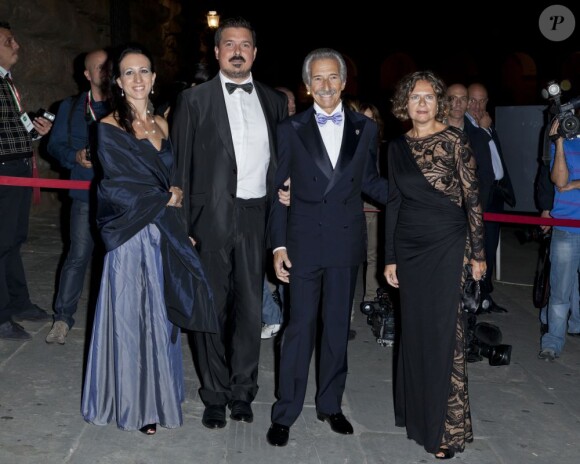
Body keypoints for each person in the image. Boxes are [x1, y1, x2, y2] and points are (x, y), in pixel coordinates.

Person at [81, 43, 217, 435]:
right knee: (131, 319)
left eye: (144, 71)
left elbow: (175, 181)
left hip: (164, 233)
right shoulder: (107, 127)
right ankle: (132, 403)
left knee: (161, 315)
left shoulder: (164, 124)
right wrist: (165, 197)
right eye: (128, 73)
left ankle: (158, 396)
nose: (137, 79)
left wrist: (182, 224)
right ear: (118, 83)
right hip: (131, 236)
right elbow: (117, 188)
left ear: (154, 79)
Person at [266, 48, 388, 447]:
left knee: (337, 329)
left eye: (332, 77)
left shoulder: (364, 129)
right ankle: (285, 411)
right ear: (306, 86)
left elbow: (370, 180)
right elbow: (277, 189)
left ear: (344, 81)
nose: (325, 85)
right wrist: (278, 245)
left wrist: (413, 194)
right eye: (317, 79)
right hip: (302, 241)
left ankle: (330, 405)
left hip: (344, 241)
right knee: (298, 329)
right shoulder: (289, 128)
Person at [171, 17, 288, 429]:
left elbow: (282, 163)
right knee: (211, 310)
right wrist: (182, 225)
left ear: (254, 53)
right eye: (229, 44)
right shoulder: (194, 100)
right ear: (217, 52)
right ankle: (214, 394)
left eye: (245, 45)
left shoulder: (275, 101)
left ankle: (243, 393)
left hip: (257, 215)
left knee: (250, 311)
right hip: (209, 220)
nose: (237, 50)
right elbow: (180, 169)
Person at [384, 71, 486, 459]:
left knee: (447, 335)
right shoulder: (396, 147)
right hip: (410, 249)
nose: (421, 104)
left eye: (428, 97)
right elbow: (394, 202)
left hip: (448, 245)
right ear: (404, 104)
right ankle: (419, 417)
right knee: (416, 333)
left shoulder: (456, 140)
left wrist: (478, 254)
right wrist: (391, 256)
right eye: (414, 98)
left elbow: (472, 199)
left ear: (438, 102)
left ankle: (447, 430)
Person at [44, 49, 109, 345]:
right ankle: (62, 318)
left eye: (110, 66)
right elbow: (53, 147)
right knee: (78, 255)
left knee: (116, 260)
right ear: (87, 74)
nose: (106, 72)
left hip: (119, 197)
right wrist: (75, 156)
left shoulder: (126, 104)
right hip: (84, 194)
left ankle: (114, 321)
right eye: (99, 68)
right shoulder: (70, 108)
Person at [0, 21, 53, 341]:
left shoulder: (7, 81)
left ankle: (17, 302)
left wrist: (33, 131)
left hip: (17, 166)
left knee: (14, 239)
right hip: (3, 171)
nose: (16, 46)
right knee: (2, 242)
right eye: (9, 40)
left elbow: (9, 126)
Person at [465, 82, 515, 313]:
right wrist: (484, 130)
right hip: (478, 197)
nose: (477, 105)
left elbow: (495, 156)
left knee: (490, 246)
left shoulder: (485, 125)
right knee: (477, 248)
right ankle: (473, 299)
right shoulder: (466, 125)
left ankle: (485, 296)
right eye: (472, 100)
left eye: (482, 100)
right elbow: (475, 147)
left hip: (495, 194)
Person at [538, 118, 580, 361]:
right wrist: (560, 142)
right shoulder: (561, 144)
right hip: (566, 227)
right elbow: (559, 181)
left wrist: (575, 184)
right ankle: (552, 343)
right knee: (560, 292)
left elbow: (567, 185)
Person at [261, 86, 297, 340]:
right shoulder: (263, 131)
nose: (289, 107)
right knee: (254, 268)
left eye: (292, 102)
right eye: (284, 103)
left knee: (287, 266)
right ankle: (272, 315)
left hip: (289, 211)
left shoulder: (302, 131)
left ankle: (287, 320)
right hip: (258, 209)